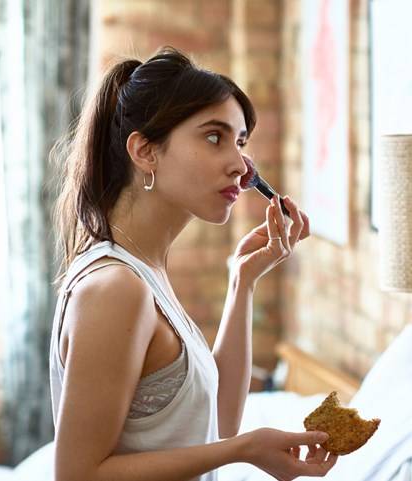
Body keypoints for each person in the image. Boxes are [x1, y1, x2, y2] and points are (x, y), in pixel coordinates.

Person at [49, 46, 337, 481]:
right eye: (214, 136)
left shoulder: (145, 273)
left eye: (240, 142)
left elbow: (215, 425)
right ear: (145, 151)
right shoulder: (116, 288)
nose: (240, 166)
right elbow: (78, 475)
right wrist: (241, 450)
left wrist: (244, 280)